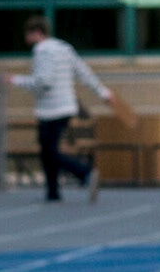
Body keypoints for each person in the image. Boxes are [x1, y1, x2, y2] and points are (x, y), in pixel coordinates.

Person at [8, 16, 111, 203]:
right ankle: (53, 192)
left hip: (51, 109)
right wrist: (103, 92)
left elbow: (43, 82)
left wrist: (16, 80)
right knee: (48, 151)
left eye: (27, 33)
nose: (25, 38)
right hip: (66, 106)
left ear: (36, 33)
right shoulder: (64, 48)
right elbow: (84, 72)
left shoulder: (42, 51)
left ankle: (85, 173)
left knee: (49, 152)